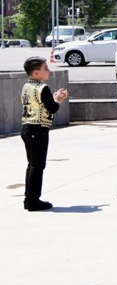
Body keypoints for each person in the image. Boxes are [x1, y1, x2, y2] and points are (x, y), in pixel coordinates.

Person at [20, 57, 68, 211]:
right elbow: (52, 108)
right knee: (37, 166)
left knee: (32, 165)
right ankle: (33, 201)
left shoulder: (27, 86)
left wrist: (53, 100)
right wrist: (58, 100)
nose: (49, 71)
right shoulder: (43, 88)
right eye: (45, 68)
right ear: (36, 72)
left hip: (27, 128)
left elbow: (42, 104)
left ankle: (29, 199)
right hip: (38, 129)